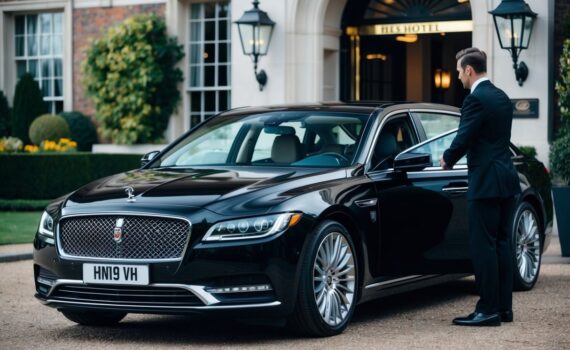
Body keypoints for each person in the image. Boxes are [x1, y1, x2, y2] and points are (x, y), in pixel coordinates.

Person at [440, 47, 521, 327]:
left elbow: (465, 136)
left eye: (460, 71)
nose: (458, 76)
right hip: (507, 180)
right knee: (501, 244)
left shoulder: (475, 99)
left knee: (483, 246)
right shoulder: (501, 96)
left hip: (485, 182)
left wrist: (447, 158)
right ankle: (503, 309)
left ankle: (487, 310)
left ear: (469, 70)